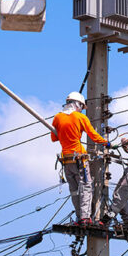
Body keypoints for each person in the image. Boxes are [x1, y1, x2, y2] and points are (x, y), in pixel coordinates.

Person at [51, 91, 108, 226]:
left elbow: (54, 138)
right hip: (79, 159)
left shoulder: (57, 117)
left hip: (66, 160)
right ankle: (85, 218)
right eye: (81, 107)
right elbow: (93, 136)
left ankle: (79, 217)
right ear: (77, 104)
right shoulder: (80, 117)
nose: (81, 110)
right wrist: (107, 143)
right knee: (86, 187)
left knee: (74, 190)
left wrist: (65, 132)